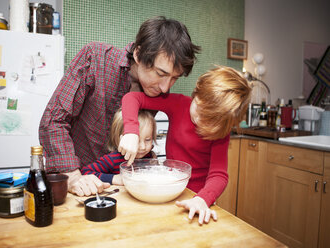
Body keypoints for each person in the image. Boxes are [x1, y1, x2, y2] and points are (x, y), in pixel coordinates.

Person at [39, 16, 201, 197]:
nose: (165, 87)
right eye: (160, 73)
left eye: (174, 78)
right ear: (138, 54)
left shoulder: (156, 90)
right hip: (76, 184)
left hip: (121, 189)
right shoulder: (95, 59)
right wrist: (73, 176)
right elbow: (53, 121)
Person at [118, 66, 252, 225]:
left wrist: (203, 199)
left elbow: (219, 174)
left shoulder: (221, 131)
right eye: (199, 108)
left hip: (197, 198)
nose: (200, 119)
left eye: (210, 119)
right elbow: (132, 98)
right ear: (196, 93)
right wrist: (131, 131)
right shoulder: (179, 104)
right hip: (170, 188)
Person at [81, 109, 157, 185]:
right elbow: (85, 172)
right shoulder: (112, 159)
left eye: (148, 139)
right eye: (136, 140)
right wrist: (113, 178)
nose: (143, 147)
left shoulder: (149, 156)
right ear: (120, 139)